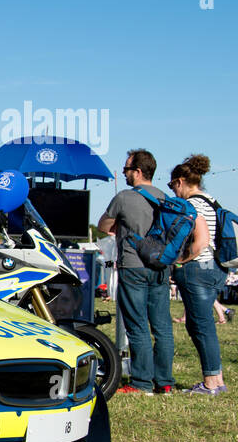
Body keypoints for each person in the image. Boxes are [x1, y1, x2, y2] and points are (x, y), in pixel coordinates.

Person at [97, 150, 174, 395]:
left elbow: (103, 226)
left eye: (127, 169)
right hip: (160, 267)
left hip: (133, 265)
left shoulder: (124, 198)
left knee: (137, 325)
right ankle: (164, 382)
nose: (124, 173)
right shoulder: (165, 198)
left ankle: (141, 382)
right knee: (162, 327)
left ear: (138, 172)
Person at [168, 155, 228, 395]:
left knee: (201, 327)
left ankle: (211, 382)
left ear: (181, 181)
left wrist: (181, 260)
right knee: (201, 325)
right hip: (214, 268)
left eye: (172, 185)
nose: (172, 190)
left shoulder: (192, 205)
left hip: (198, 270)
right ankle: (217, 378)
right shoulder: (211, 201)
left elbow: (201, 241)